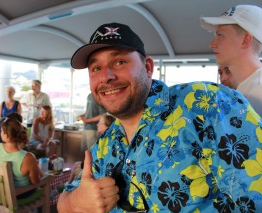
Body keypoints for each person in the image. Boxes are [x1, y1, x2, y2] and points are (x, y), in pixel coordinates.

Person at [57, 22, 262, 212]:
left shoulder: (206, 103)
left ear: (147, 67)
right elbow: (62, 202)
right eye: (96, 68)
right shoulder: (106, 145)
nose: (106, 76)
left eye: (119, 62)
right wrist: (75, 202)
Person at [201, 4, 262, 117]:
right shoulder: (246, 89)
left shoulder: (258, 91)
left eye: (220, 35)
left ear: (245, 40)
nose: (212, 44)